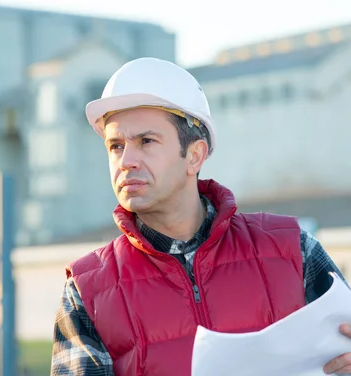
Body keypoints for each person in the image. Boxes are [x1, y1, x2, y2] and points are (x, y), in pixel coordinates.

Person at [50, 57, 351, 376]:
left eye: (146, 141)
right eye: (115, 146)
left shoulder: (293, 249)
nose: (126, 160)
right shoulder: (87, 289)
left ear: (194, 156)